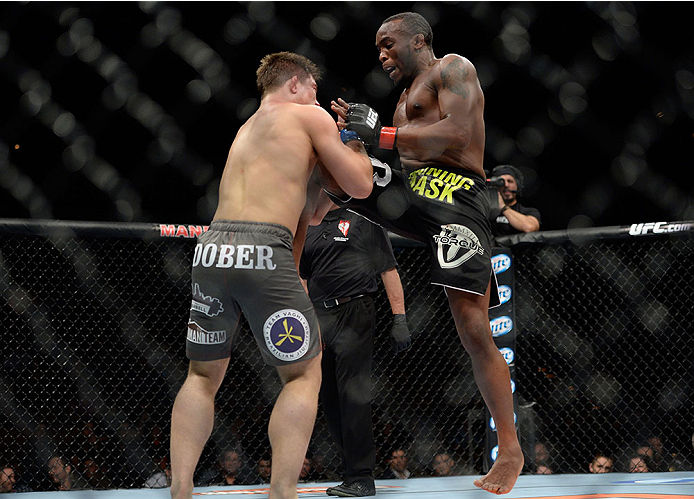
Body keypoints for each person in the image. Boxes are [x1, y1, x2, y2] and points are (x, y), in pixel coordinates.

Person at [329, 11, 524, 494]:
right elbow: (392, 153)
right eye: (377, 47)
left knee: (474, 328)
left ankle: (513, 451)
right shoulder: (399, 101)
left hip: (457, 198)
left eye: (388, 43)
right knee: (328, 163)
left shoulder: (452, 69)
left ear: (419, 40)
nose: (381, 54)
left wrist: (384, 137)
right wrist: (354, 140)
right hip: (411, 194)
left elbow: (457, 133)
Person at [168, 51, 374, 499]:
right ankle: (282, 490)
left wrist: (296, 269)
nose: (318, 100)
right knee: (303, 374)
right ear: (297, 83)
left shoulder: (247, 128)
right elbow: (361, 185)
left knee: (201, 376)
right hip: (263, 248)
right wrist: (356, 137)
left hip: (213, 248)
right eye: (314, 90)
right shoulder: (309, 115)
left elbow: (306, 210)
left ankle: (180, 489)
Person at [299, 203, 410, 497]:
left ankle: (362, 476)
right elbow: (301, 275)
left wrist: (399, 317)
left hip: (355, 311)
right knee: (330, 398)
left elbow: (388, 268)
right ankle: (351, 471)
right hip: (319, 316)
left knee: (352, 393)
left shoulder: (363, 217)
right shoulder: (307, 223)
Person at [488, 165, 541, 237]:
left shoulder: (528, 211)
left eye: (510, 181)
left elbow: (530, 227)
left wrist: (503, 207)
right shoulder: (487, 211)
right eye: (501, 182)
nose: (506, 185)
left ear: (517, 185)